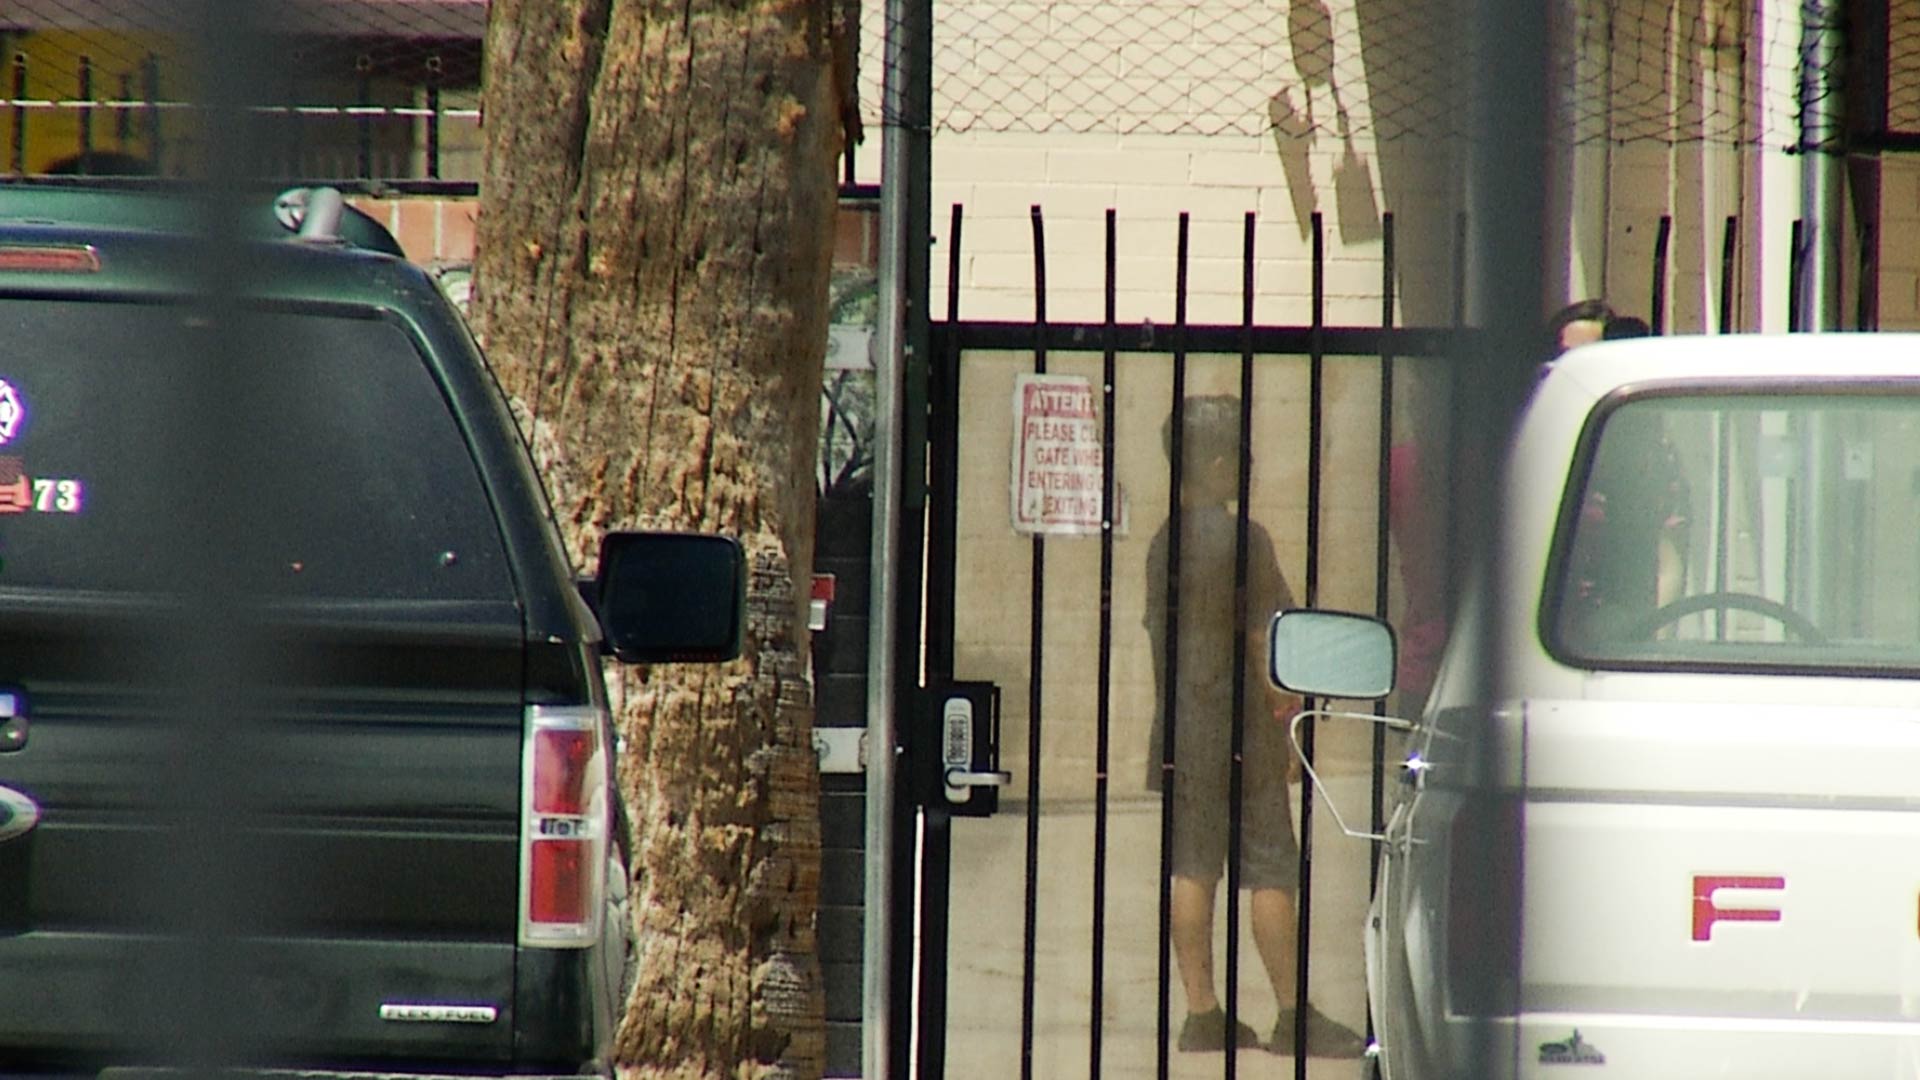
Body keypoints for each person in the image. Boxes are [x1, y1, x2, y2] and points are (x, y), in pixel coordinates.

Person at [1143, 394, 1366, 1058]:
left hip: (1181, 727)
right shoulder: (1245, 539)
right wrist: (1287, 706)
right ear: (1214, 460)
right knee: (1270, 865)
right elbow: (1270, 636)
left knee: (1192, 864)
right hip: (1240, 730)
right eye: (1239, 454)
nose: (1246, 466)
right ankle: (1292, 1012)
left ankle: (1201, 1011)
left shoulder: (1164, 542)